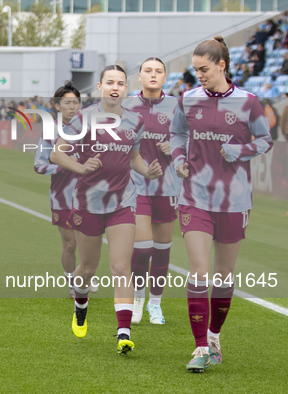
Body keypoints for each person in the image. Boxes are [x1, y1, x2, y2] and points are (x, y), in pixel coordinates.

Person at [170, 36, 273, 372]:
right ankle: (200, 348)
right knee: (199, 270)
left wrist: (240, 151)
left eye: (204, 69)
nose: (198, 74)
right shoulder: (187, 99)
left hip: (233, 200)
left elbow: (265, 140)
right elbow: (176, 134)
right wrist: (178, 159)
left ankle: (214, 336)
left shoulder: (248, 102)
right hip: (194, 196)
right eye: (195, 69)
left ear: (221, 66)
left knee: (224, 275)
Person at [50, 65, 163, 354]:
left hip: (123, 202)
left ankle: (123, 332)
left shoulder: (135, 121)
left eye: (121, 83)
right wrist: (80, 166)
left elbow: (134, 157)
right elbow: (56, 153)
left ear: (126, 88)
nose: (115, 87)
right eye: (110, 82)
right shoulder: (83, 118)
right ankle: (80, 304)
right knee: (86, 268)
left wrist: (147, 172)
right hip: (88, 203)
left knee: (120, 267)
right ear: (99, 86)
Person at [126, 57, 181, 326]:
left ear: (165, 78)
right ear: (139, 76)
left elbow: (192, 141)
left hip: (168, 186)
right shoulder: (126, 105)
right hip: (136, 185)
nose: (153, 75)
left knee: (161, 248)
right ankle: (137, 299)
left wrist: (177, 148)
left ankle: (155, 303)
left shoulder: (177, 106)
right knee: (143, 246)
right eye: (148, 70)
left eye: (158, 71)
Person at [33, 81, 83, 298]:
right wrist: (64, 165)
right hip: (63, 197)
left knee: (89, 242)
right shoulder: (50, 131)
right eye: (67, 103)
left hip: (89, 196)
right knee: (70, 244)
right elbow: (39, 165)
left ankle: (85, 274)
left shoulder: (88, 129)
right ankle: (72, 280)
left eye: (75, 103)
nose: (72, 107)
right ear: (57, 106)